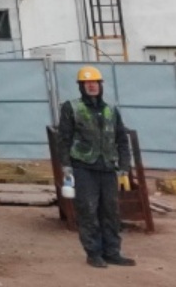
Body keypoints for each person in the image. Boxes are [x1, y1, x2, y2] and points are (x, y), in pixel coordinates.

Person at [58, 66, 136, 269]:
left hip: (108, 167)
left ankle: (112, 252)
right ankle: (93, 253)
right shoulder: (71, 108)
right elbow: (64, 139)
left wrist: (124, 166)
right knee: (88, 211)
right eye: (87, 83)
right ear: (81, 86)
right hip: (83, 167)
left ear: (101, 85)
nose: (91, 86)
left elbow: (121, 139)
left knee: (111, 212)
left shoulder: (111, 110)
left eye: (95, 82)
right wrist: (66, 166)